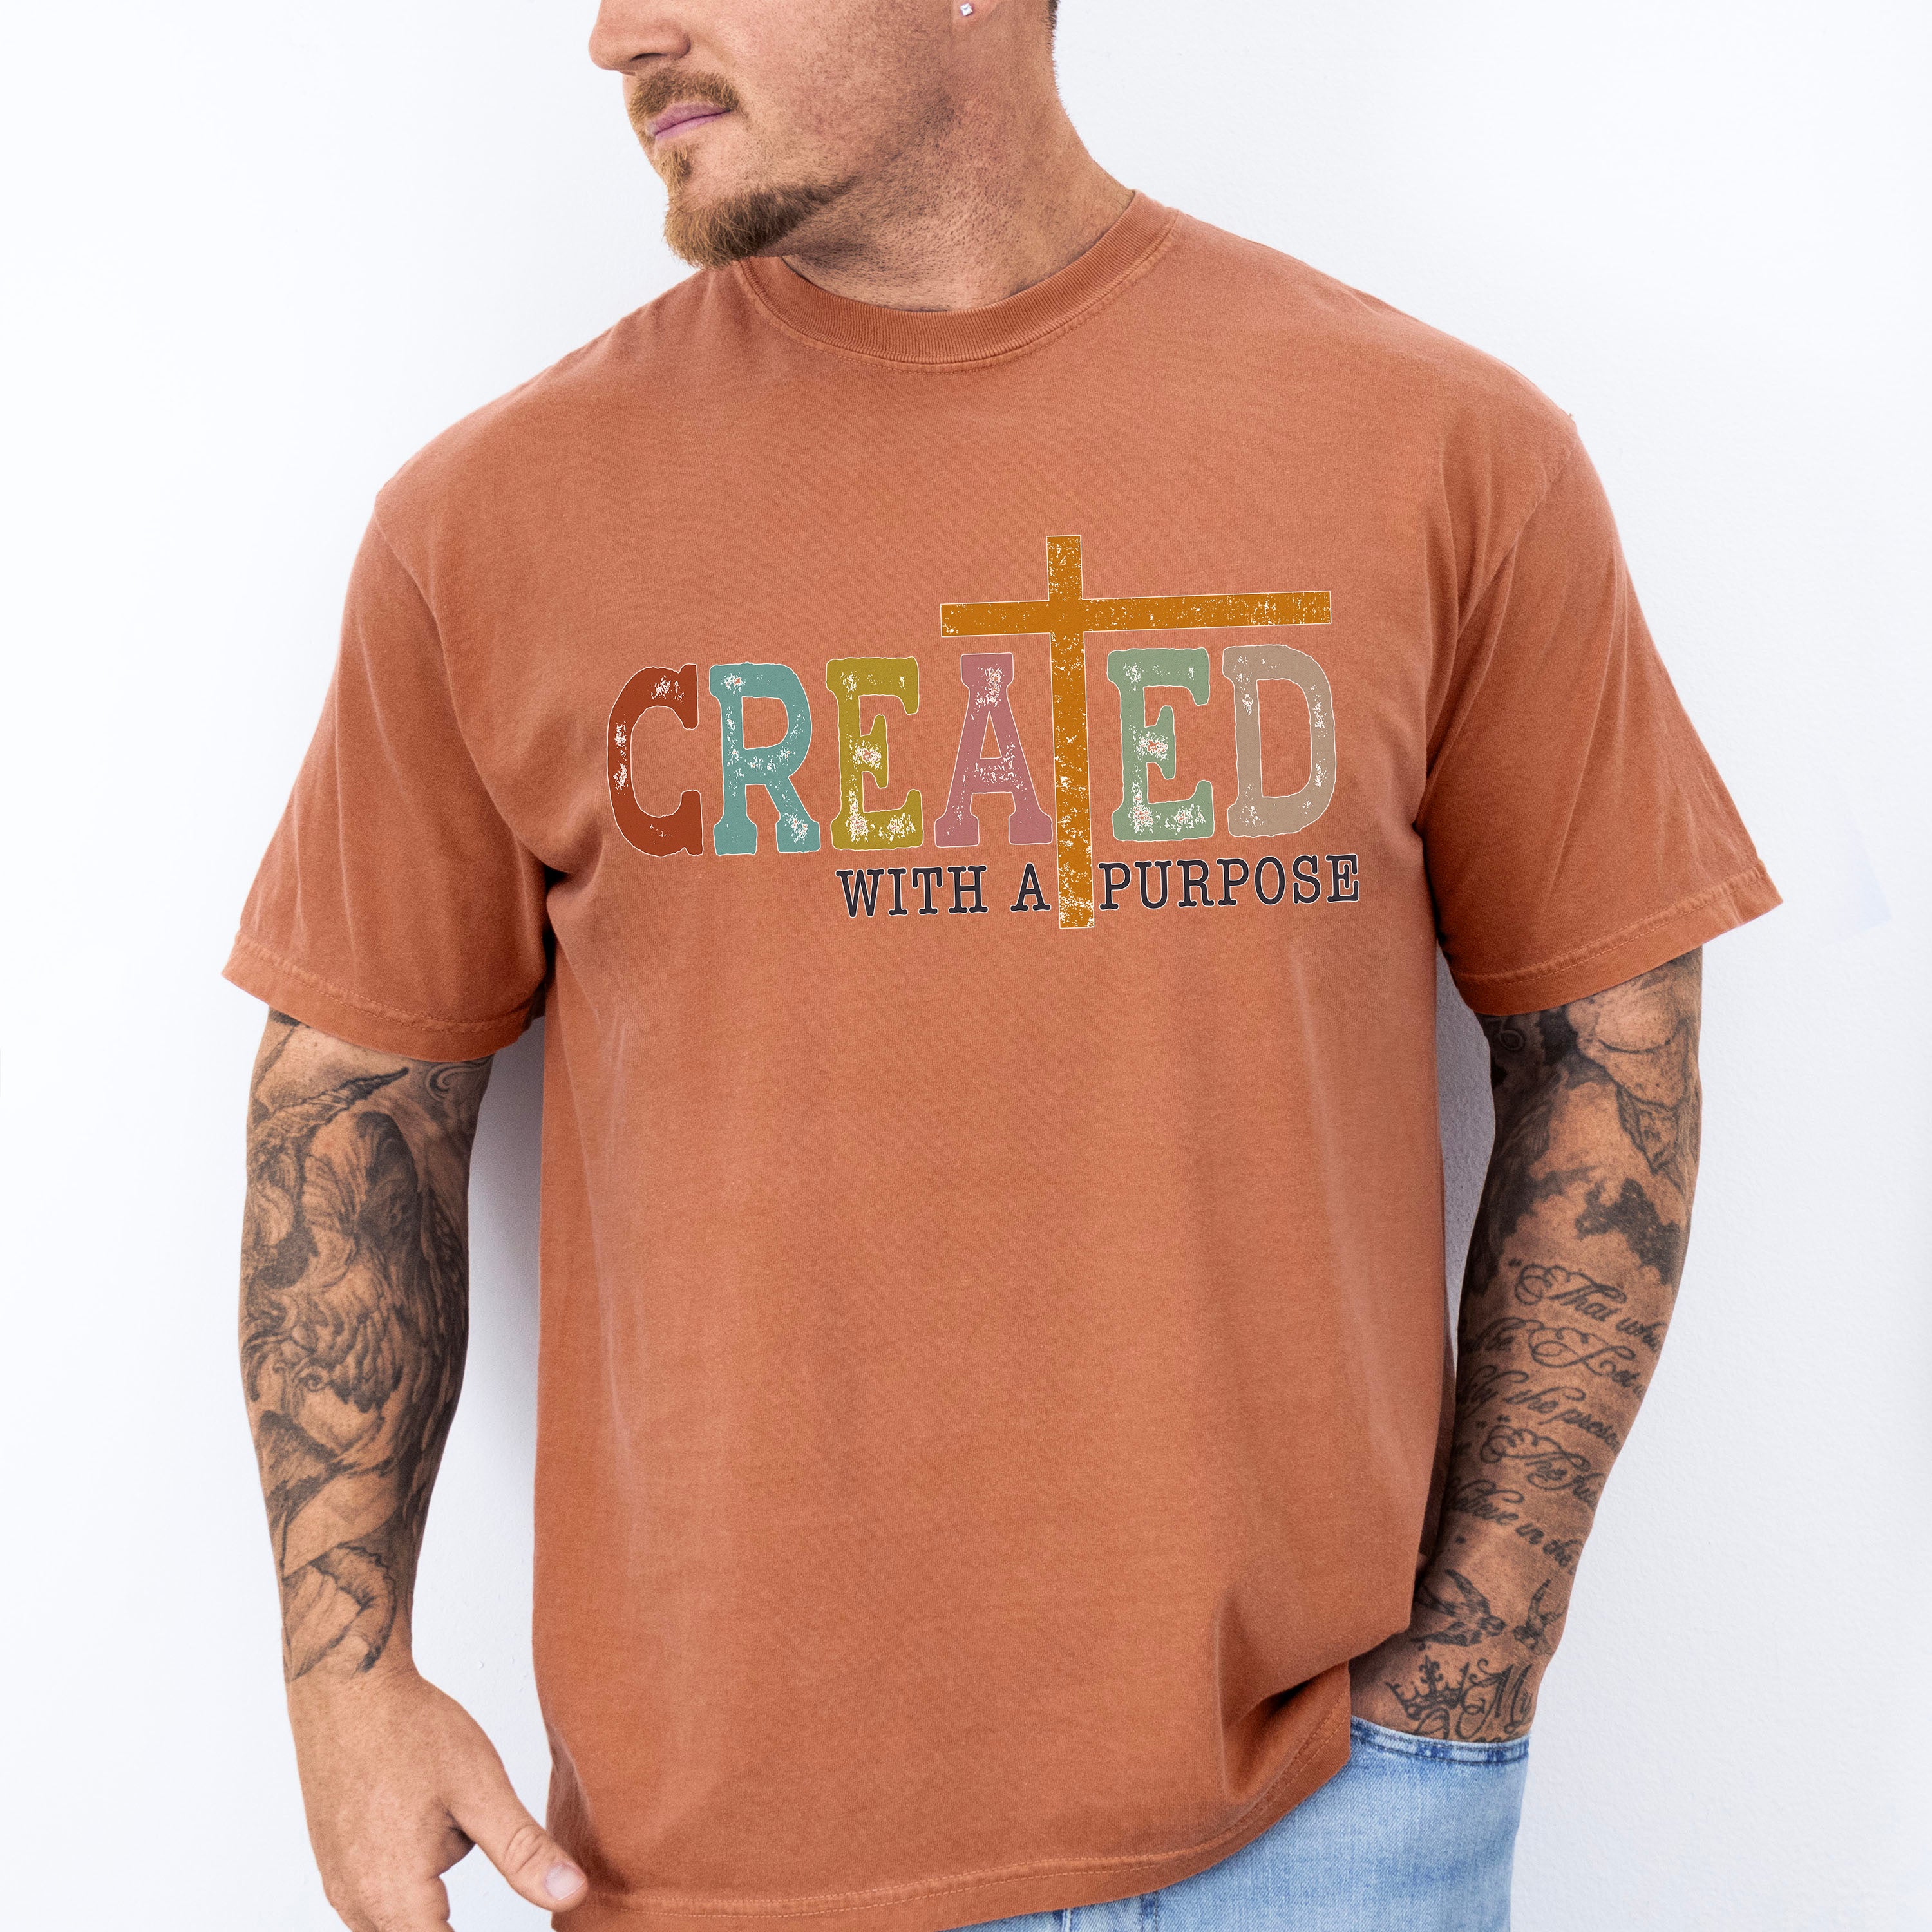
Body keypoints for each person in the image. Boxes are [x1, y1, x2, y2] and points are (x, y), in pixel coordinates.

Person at [225, 3, 1779, 1929]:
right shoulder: (489, 521)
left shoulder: (1447, 452)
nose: (621, 34)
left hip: (1324, 1831)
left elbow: (1612, 1032)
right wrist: (346, 1679)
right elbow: (351, 1101)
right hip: (722, 1860)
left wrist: (1469, 1671)